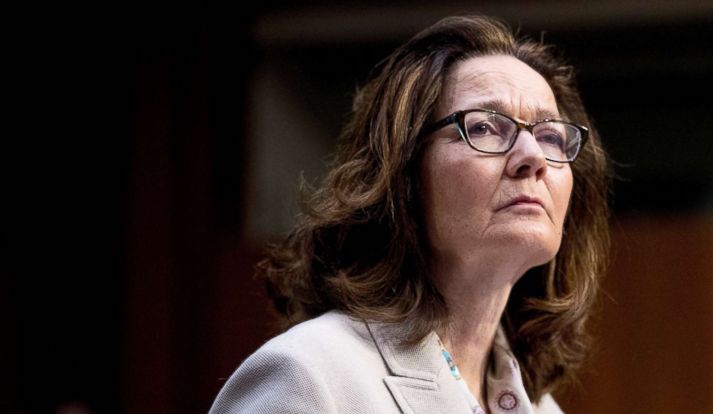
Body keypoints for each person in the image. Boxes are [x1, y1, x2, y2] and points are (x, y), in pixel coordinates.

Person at [210, 15, 611, 414]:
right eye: (485, 127)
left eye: (550, 136)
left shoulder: (543, 409)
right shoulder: (307, 378)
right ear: (403, 173)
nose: (533, 157)